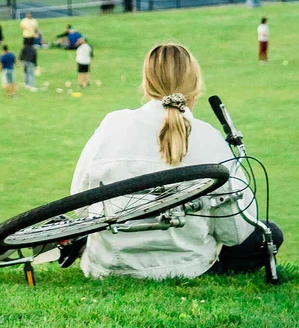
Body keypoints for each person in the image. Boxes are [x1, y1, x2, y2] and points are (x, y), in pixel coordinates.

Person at [69, 43, 283, 279]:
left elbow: (80, 204)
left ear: (146, 83)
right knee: (270, 233)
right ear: (195, 85)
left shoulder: (112, 125)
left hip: (109, 265)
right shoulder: (209, 138)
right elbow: (235, 232)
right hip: (187, 266)